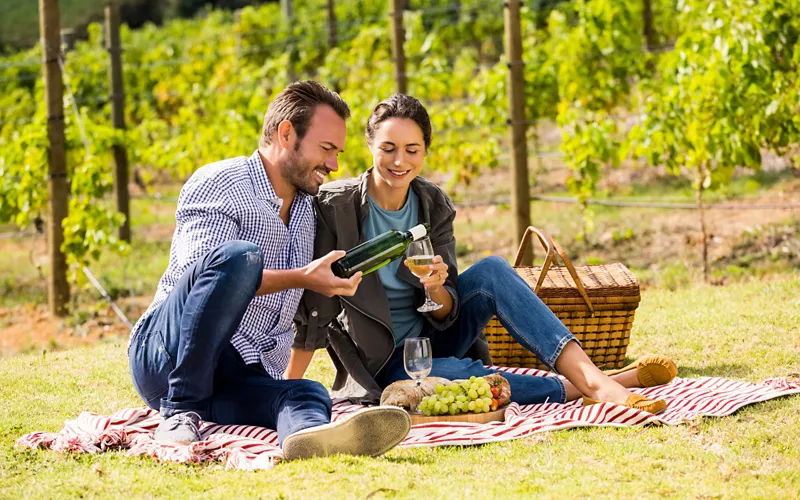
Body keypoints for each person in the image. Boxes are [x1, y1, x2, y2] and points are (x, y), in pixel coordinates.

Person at [290, 93, 676, 413]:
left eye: (412, 149)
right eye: (387, 148)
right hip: (385, 362)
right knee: (455, 377)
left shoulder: (432, 203)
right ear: (370, 146)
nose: (398, 161)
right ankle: (597, 386)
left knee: (491, 269)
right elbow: (315, 305)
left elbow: (447, 312)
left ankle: (592, 378)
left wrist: (438, 288)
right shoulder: (334, 207)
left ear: (425, 151)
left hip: (434, 337)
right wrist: (288, 388)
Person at [128, 81, 411, 461]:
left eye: (338, 153)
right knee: (240, 258)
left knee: (306, 392)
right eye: (326, 149)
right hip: (168, 355)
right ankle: (180, 411)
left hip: (236, 373)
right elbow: (199, 277)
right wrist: (301, 277)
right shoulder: (221, 183)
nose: (334, 165)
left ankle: (312, 440)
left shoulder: (307, 208)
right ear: (286, 133)